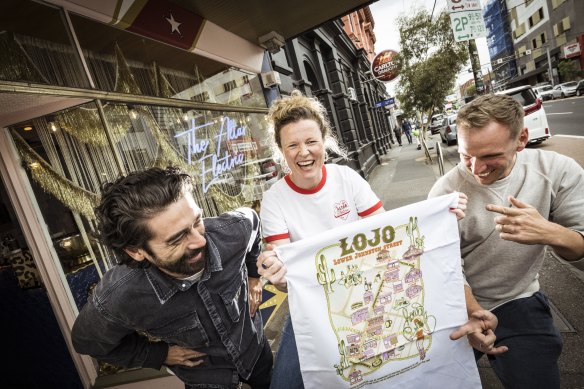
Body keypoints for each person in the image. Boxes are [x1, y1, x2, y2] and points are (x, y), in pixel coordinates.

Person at [429, 94, 584, 388]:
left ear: (521, 138)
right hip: (452, 302)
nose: (475, 170)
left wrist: (551, 232)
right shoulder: (445, 191)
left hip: (518, 297)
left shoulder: (558, 171)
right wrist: (473, 312)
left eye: (489, 156)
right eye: (466, 156)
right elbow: (443, 263)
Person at [72, 167, 272, 389]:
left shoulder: (233, 230)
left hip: (258, 356)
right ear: (136, 251)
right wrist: (158, 354)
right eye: (177, 238)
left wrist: (254, 276)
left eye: (197, 221)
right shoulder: (120, 295)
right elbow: (87, 341)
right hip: (206, 382)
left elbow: (253, 221)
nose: (200, 241)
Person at [256, 90, 386, 388]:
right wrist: (277, 275)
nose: (304, 152)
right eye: (293, 145)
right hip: (311, 308)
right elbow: (285, 275)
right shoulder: (274, 199)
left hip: (367, 296)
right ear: (281, 151)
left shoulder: (347, 178)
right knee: (285, 384)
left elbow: (385, 234)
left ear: (324, 141)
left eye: (311, 141)